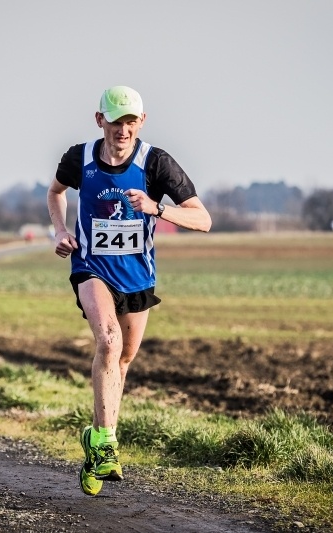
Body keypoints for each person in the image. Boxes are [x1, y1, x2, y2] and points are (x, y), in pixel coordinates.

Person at [46, 86, 212, 496]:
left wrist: (158, 208)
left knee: (122, 361)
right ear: (99, 119)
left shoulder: (157, 162)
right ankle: (107, 445)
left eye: (130, 121)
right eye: (115, 121)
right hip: (91, 268)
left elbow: (203, 219)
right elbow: (55, 193)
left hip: (137, 276)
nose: (123, 130)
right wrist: (62, 231)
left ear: (142, 121)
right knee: (108, 340)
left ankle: (96, 444)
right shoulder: (78, 158)